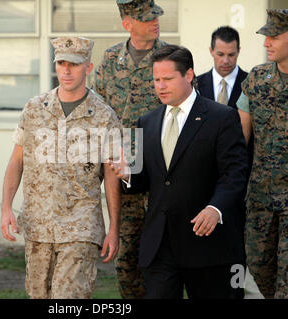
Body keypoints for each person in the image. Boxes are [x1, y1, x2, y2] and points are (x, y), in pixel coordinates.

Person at [111, 44, 249, 299]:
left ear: (188, 76)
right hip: (160, 248)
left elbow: (235, 173)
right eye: (156, 80)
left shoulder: (222, 117)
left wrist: (215, 208)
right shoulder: (146, 122)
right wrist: (128, 174)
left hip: (209, 247)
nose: (160, 86)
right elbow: (148, 180)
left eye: (167, 79)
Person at [0, 36, 122, 299]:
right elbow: (17, 161)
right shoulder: (34, 109)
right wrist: (6, 207)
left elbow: (112, 175)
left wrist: (113, 228)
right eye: (61, 63)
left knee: (68, 299)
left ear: (88, 68)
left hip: (81, 226)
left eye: (75, 64)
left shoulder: (104, 116)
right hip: (38, 225)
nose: (67, 70)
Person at [237, 9, 288, 299]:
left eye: (273, 37)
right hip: (260, 198)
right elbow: (239, 136)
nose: (266, 43)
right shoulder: (256, 80)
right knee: (257, 278)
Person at [94, 0, 167, 299]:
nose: (155, 22)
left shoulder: (169, 58)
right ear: (128, 24)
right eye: (147, 18)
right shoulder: (110, 60)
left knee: (161, 258)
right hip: (120, 174)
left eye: (155, 17)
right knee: (126, 262)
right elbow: (97, 111)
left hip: (159, 174)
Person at [196, 26, 251, 277]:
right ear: (211, 52)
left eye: (231, 54)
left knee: (236, 250)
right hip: (202, 181)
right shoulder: (196, 85)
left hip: (240, 182)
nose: (226, 61)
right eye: (220, 54)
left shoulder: (252, 85)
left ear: (239, 52)